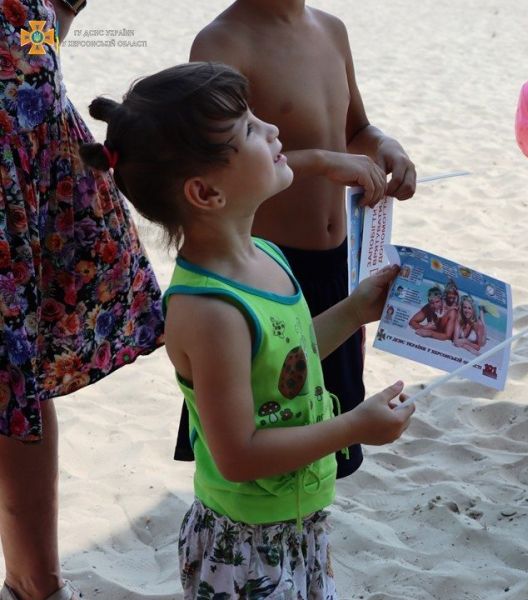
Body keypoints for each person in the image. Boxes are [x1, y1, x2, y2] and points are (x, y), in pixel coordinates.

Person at [79, 61, 414, 599]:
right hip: (244, 546)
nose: (274, 130)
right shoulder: (208, 309)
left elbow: (289, 361)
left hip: (300, 523)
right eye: (251, 129)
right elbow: (238, 454)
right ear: (206, 193)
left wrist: (354, 311)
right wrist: (354, 426)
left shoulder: (266, 254)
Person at [182, 0, 417, 479]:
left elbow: (357, 128)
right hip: (265, 272)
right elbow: (212, 166)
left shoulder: (331, 29)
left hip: (339, 263)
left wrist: (385, 145)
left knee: (326, 443)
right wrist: (324, 161)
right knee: (261, 430)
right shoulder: (221, 42)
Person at [0, 2, 164, 599]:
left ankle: (33, 580)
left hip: (27, 177)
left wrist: (29, 52)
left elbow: (49, 27)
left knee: (22, 377)